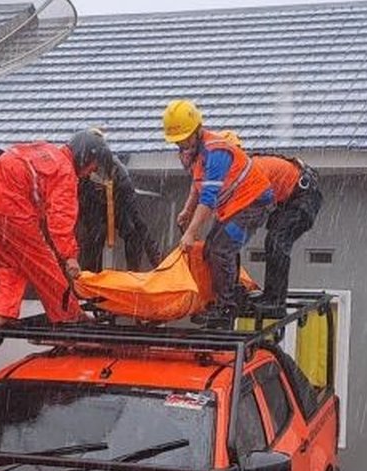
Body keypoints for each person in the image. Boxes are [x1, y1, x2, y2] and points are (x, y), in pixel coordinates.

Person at [0, 130, 113, 326]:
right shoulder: (65, 171)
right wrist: (69, 256)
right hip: (11, 208)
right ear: (85, 156)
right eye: (92, 167)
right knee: (44, 266)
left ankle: (3, 313)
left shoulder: (46, 150)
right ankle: (68, 318)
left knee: (7, 262)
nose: (90, 173)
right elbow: (60, 218)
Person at [163, 99, 275, 325]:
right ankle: (227, 296)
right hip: (236, 207)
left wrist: (191, 233)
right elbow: (197, 188)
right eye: (178, 142)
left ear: (196, 130)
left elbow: (208, 197)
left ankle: (226, 307)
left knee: (221, 250)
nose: (181, 146)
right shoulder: (197, 153)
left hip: (252, 205)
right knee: (211, 249)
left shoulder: (216, 152)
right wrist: (186, 210)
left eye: (184, 140)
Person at [178, 150, 324, 313]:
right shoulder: (224, 172)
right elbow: (200, 188)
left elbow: (238, 216)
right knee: (224, 242)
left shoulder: (244, 176)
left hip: (303, 196)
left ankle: (275, 300)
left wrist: (196, 231)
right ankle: (238, 293)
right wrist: (189, 211)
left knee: (276, 242)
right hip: (287, 198)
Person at [77, 147, 162, 272]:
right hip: (91, 208)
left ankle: (133, 274)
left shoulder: (120, 176)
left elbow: (137, 217)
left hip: (118, 204)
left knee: (133, 232)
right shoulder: (79, 174)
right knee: (93, 235)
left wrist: (154, 254)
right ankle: (89, 278)